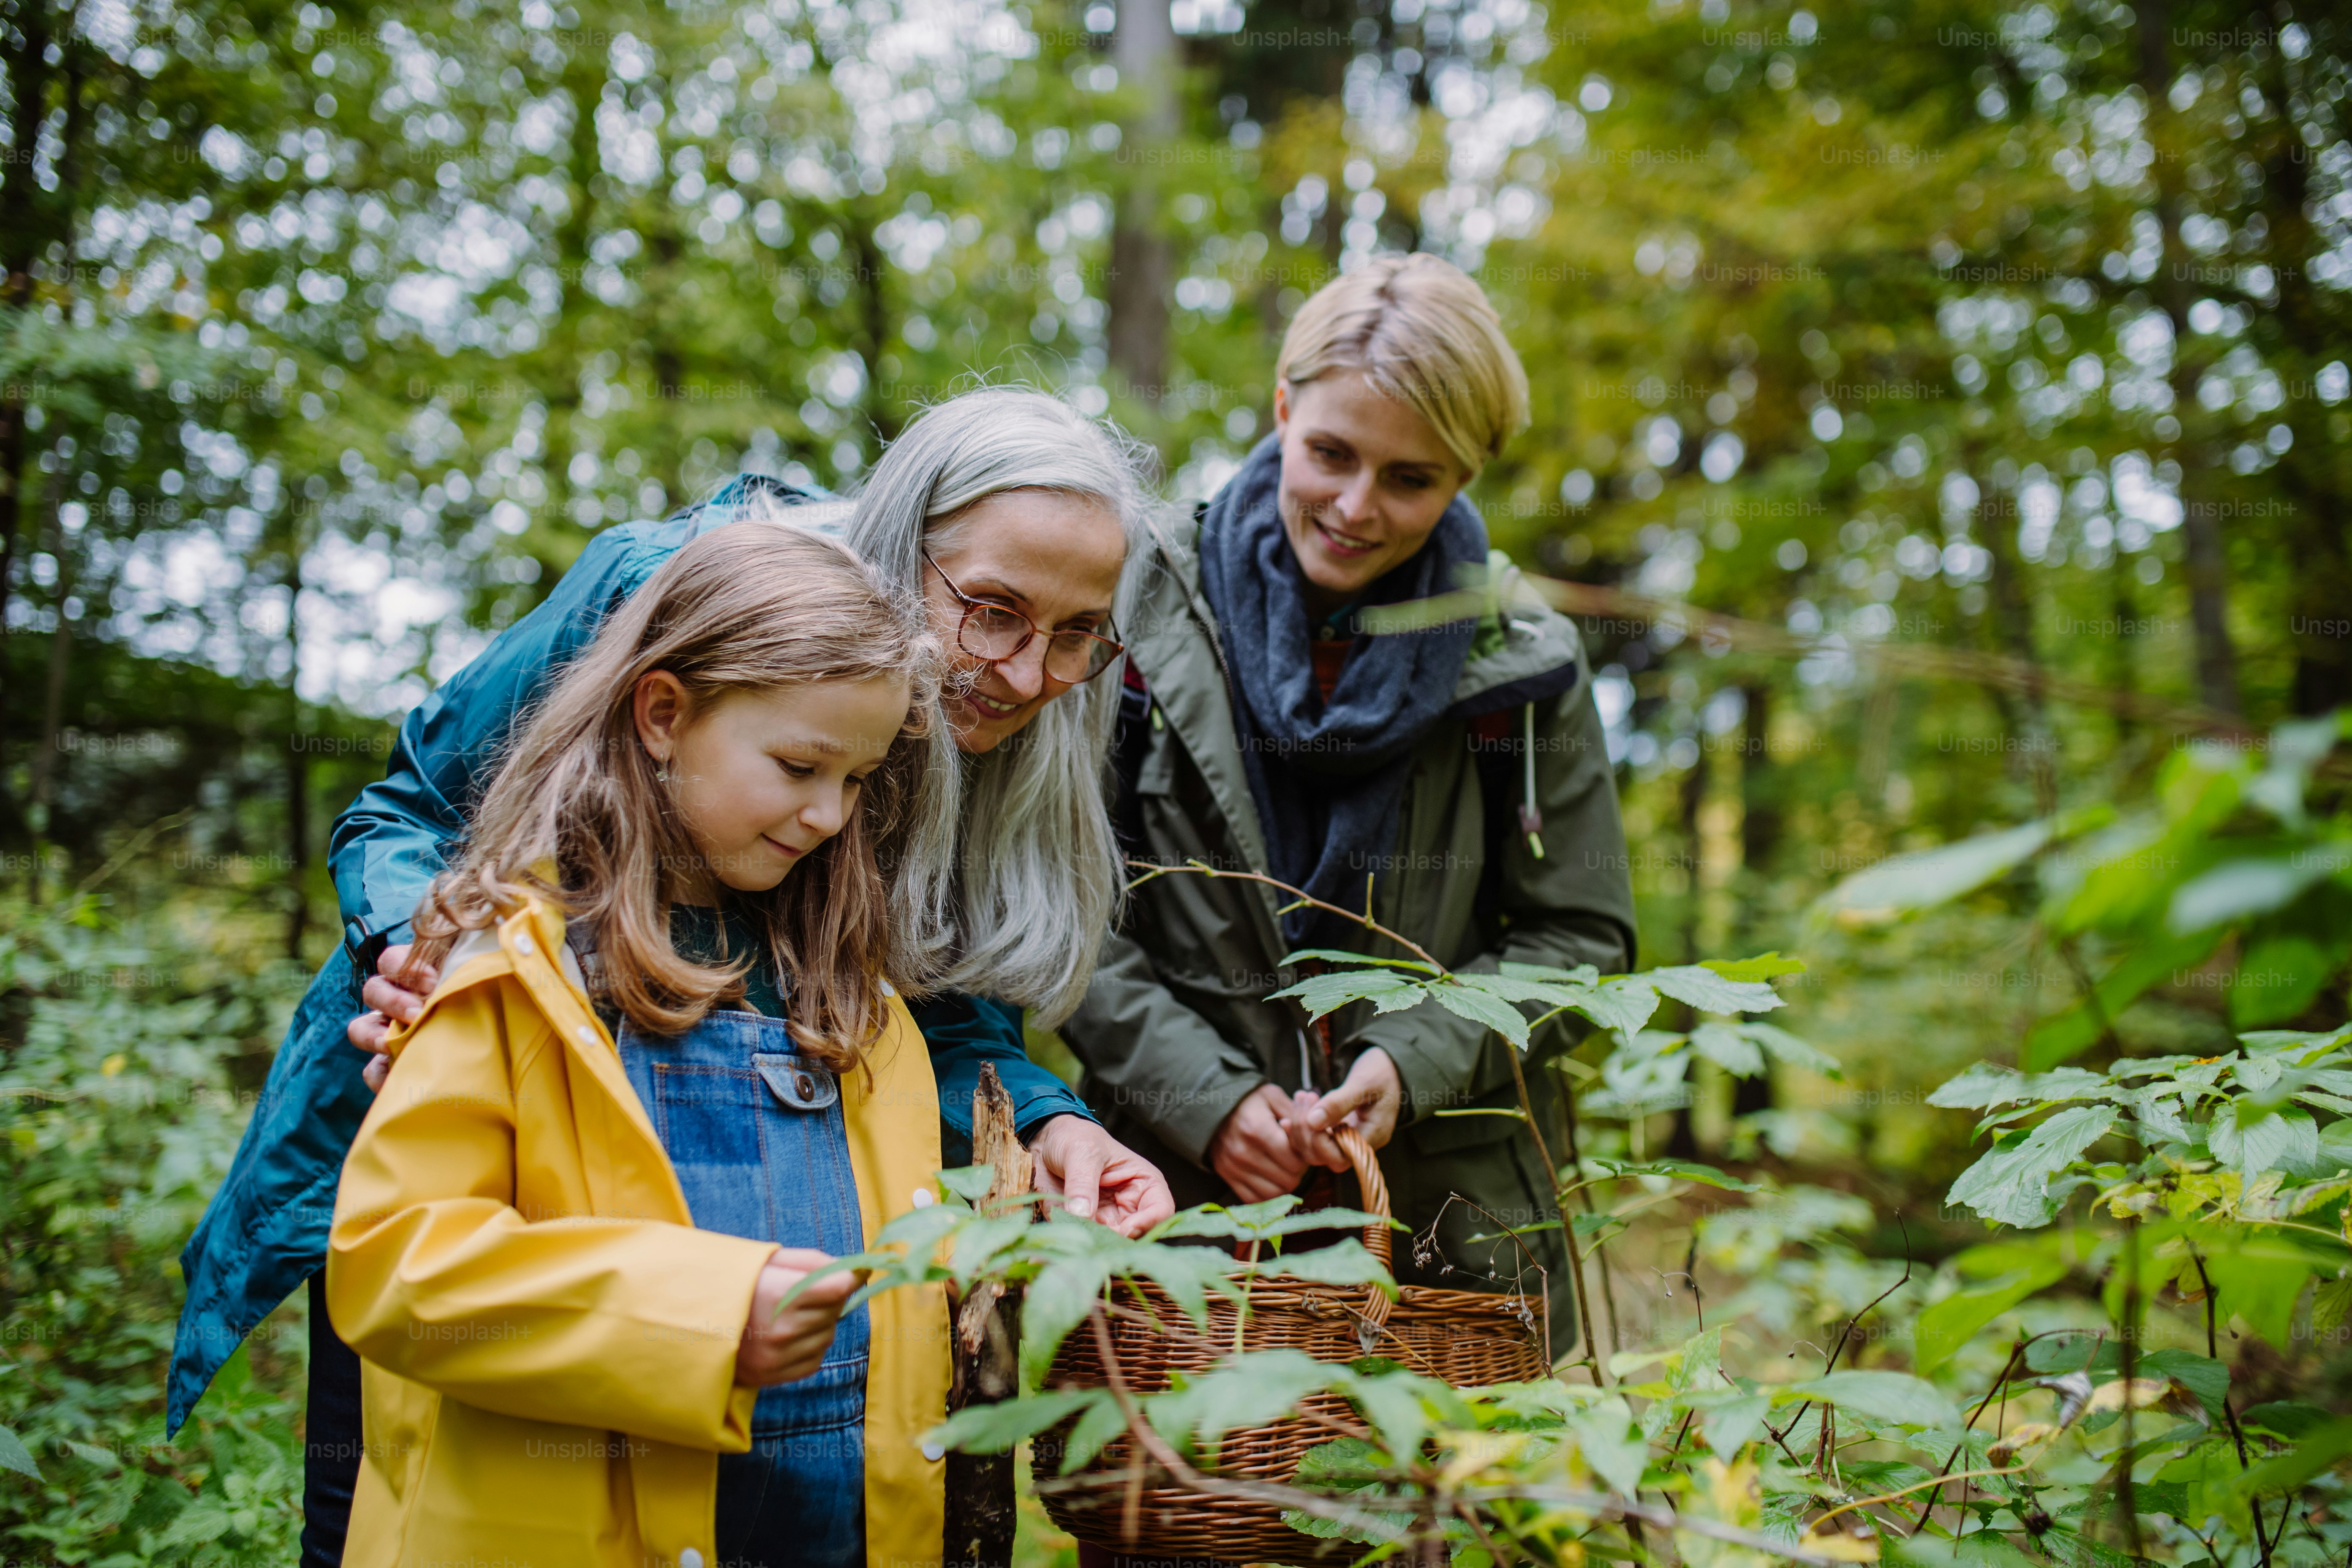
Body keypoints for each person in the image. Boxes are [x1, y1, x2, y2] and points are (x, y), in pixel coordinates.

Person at [167, 389, 1176, 1565]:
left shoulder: (985, 742)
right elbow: (412, 810)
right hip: (495, 1146)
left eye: (1077, 635)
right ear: (905, 543)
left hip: (746, 1268)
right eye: (993, 610)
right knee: (412, 1489)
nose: (1026, 674)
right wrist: (426, 947)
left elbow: (939, 1011)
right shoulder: (672, 593)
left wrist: (1044, 1122)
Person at [329, 523, 948, 1568]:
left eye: (859, 778)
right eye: (800, 764)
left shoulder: (856, 1000)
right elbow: (398, 1268)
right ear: (663, 712)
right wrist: (700, 1319)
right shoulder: (512, 963)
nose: (827, 814)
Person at [1062, 254, 1639, 1359]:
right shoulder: (1134, 609)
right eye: (1329, 452)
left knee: (1432, 1528)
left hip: (1446, 1239)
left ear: (1467, 474)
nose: (1356, 506)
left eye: (1413, 479)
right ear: (1282, 408)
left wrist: (1408, 1065)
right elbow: (1071, 916)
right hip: (1178, 1211)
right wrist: (1210, 1101)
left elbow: (1582, 939)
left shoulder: (1521, 665)